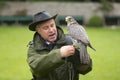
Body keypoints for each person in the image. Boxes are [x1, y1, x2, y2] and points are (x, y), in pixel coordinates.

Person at [27, 11, 92, 80]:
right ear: (38, 30)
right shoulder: (33, 48)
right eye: (46, 28)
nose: (51, 30)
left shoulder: (70, 41)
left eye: (52, 25)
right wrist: (59, 54)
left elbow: (86, 70)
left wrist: (79, 57)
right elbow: (36, 68)